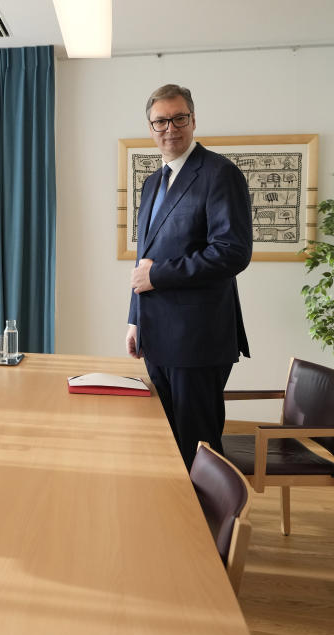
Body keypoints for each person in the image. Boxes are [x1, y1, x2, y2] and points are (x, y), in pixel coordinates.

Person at [126, 84, 252, 469]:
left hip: (198, 338)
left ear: (193, 120)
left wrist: (159, 276)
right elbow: (143, 260)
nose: (170, 128)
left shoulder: (219, 174)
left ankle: (208, 526)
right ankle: (172, 524)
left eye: (179, 118)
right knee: (165, 444)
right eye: (160, 121)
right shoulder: (152, 183)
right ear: (150, 127)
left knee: (197, 445)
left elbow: (232, 253)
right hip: (156, 334)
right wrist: (135, 319)